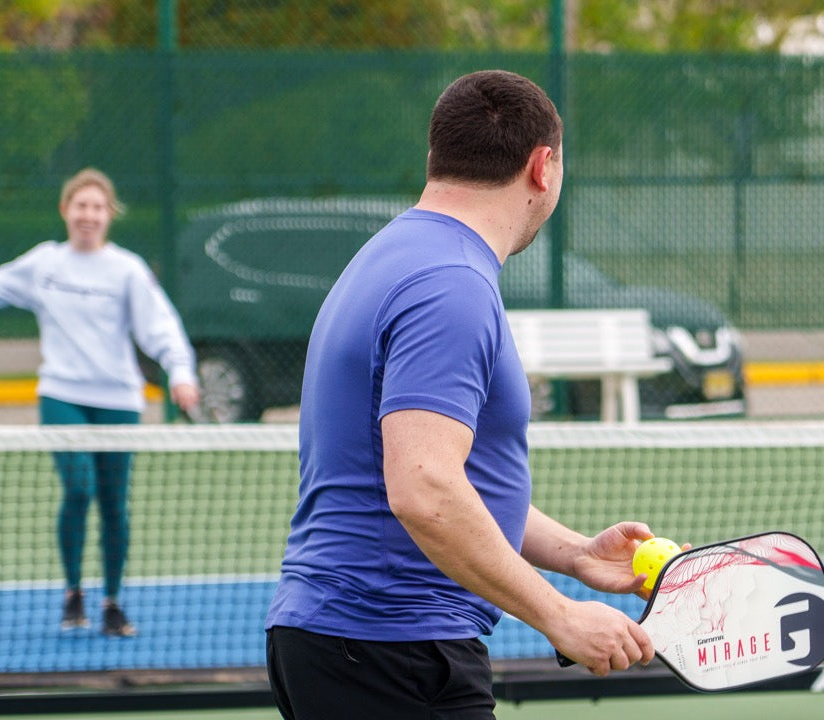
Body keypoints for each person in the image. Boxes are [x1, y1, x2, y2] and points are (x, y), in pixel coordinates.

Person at [264, 69, 657, 719]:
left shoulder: (399, 255)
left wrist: (577, 556)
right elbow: (424, 488)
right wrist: (559, 616)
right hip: (394, 652)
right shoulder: (451, 285)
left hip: (359, 646)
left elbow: (448, 477)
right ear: (543, 167)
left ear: (436, 158)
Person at [0, 168, 200, 634]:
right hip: (62, 395)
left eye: (97, 207)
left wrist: (180, 372)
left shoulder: (127, 270)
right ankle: (73, 594)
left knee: (114, 501)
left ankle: (112, 602)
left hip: (118, 400)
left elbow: (161, 327)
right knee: (78, 488)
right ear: (65, 210)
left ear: (108, 214)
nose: (88, 215)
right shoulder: (43, 265)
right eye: (80, 206)